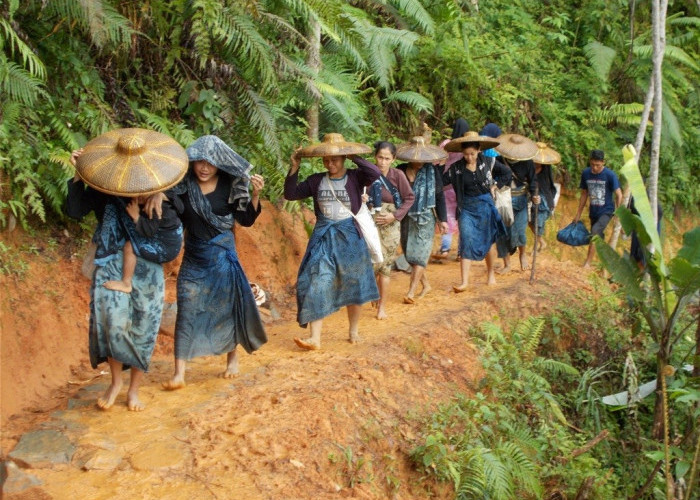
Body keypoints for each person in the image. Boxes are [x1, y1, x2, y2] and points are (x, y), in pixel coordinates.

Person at [66, 149, 171, 411]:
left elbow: (176, 211)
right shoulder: (105, 190)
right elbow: (74, 210)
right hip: (110, 261)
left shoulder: (160, 188)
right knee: (113, 323)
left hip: (147, 265)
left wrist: (158, 194)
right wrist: (79, 175)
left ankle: (133, 390)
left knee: (144, 328)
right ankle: (115, 383)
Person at [162, 135, 267, 390]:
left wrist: (255, 195)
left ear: (220, 164)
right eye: (199, 161)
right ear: (192, 162)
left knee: (227, 310)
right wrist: (161, 198)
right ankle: (179, 373)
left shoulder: (231, 186)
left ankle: (232, 359)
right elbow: (171, 215)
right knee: (186, 310)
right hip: (194, 258)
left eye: (210, 162)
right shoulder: (182, 187)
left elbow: (246, 220)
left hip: (223, 257)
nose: (204, 168)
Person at [284, 133, 381, 350]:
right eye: (326, 159)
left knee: (353, 284)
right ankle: (315, 338)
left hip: (350, 236)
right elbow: (290, 194)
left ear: (343, 158)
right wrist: (294, 166)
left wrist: (354, 156)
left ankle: (353, 330)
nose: (331, 163)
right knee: (317, 281)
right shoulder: (316, 180)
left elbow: (374, 172)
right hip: (324, 236)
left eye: (335, 159)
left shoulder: (356, 177)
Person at [443, 132, 510, 291]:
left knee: (488, 241)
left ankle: (490, 275)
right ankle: (464, 282)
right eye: (465, 154)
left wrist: (495, 186)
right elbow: (441, 181)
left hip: (485, 206)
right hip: (466, 207)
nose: (469, 157)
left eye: (472, 154)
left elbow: (506, 173)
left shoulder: (489, 162)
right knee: (466, 239)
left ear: (479, 150)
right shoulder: (456, 168)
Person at [366, 141, 415, 319]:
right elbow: (360, 195)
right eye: (380, 157)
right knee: (372, 261)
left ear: (393, 159)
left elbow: (409, 198)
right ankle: (373, 292)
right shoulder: (368, 174)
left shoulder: (398, 175)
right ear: (375, 157)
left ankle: (382, 308)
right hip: (370, 223)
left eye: (387, 158)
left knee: (385, 266)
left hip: (391, 225)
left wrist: (394, 215)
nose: (383, 162)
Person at [396, 138, 448, 304]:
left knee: (420, 254)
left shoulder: (432, 172)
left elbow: (439, 196)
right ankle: (426, 285)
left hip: (426, 217)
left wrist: (443, 220)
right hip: (406, 217)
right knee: (409, 253)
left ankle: (411, 291)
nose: (418, 161)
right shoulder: (400, 170)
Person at [103, 194, 183, 293]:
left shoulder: (155, 205)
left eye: (143, 192)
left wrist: (136, 216)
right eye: (135, 192)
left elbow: (148, 231)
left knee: (129, 246)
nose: (139, 196)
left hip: (166, 248)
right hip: (169, 239)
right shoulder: (159, 199)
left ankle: (126, 283)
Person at [494, 134, 541, 273]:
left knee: (520, 230)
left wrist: (534, 196)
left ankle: (522, 255)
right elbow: (492, 178)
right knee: (503, 232)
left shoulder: (527, 163)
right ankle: (507, 264)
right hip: (503, 200)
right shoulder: (498, 161)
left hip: (521, 199)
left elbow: (533, 181)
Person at [573, 149, 623, 268]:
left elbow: (619, 194)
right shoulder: (586, 173)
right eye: (592, 164)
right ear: (590, 161)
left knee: (595, 231)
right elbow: (584, 193)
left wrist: (618, 214)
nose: (595, 168)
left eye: (598, 165)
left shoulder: (610, 175)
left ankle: (588, 263)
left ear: (603, 163)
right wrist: (578, 213)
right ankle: (603, 262)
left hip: (607, 211)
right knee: (597, 235)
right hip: (593, 211)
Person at [435, 118, 469, 260]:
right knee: (462, 218)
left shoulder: (446, 144)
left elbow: (437, 161)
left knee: (447, 218)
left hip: (446, 185)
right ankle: (462, 252)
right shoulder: (466, 145)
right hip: (462, 186)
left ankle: (445, 248)